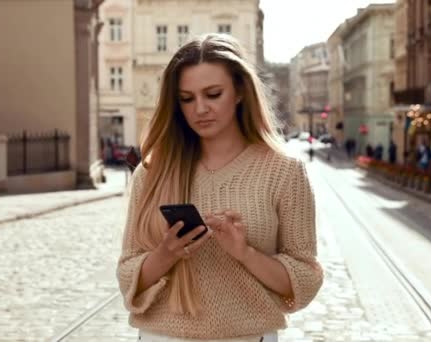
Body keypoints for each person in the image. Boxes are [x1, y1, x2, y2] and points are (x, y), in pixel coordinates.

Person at [117, 34, 323, 342]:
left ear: (240, 91)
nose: (200, 108)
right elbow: (126, 274)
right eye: (187, 98)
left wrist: (245, 252)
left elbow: (305, 279)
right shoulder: (152, 173)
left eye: (213, 94)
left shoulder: (284, 173)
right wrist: (165, 254)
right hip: (162, 337)